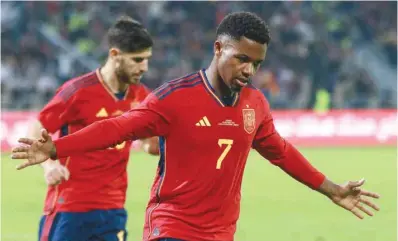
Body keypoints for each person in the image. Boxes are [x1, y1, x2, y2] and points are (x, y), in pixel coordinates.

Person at [12, 12, 380, 241]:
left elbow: (281, 152)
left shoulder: (255, 104)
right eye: (241, 59)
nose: (249, 70)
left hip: (221, 233)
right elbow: (119, 128)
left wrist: (331, 189)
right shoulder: (173, 98)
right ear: (219, 48)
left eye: (256, 63)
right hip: (172, 228)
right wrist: (55, 149)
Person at [23, 16, 158, 241]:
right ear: (114, 55)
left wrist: (158, 144)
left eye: (146, 59)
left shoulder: (142, 96)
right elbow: (38, 126)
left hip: (113, 210)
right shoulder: (77, 92)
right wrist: (49, 165)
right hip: (70, 207)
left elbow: (150, 143)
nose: (144, 67)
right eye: (137, 60)